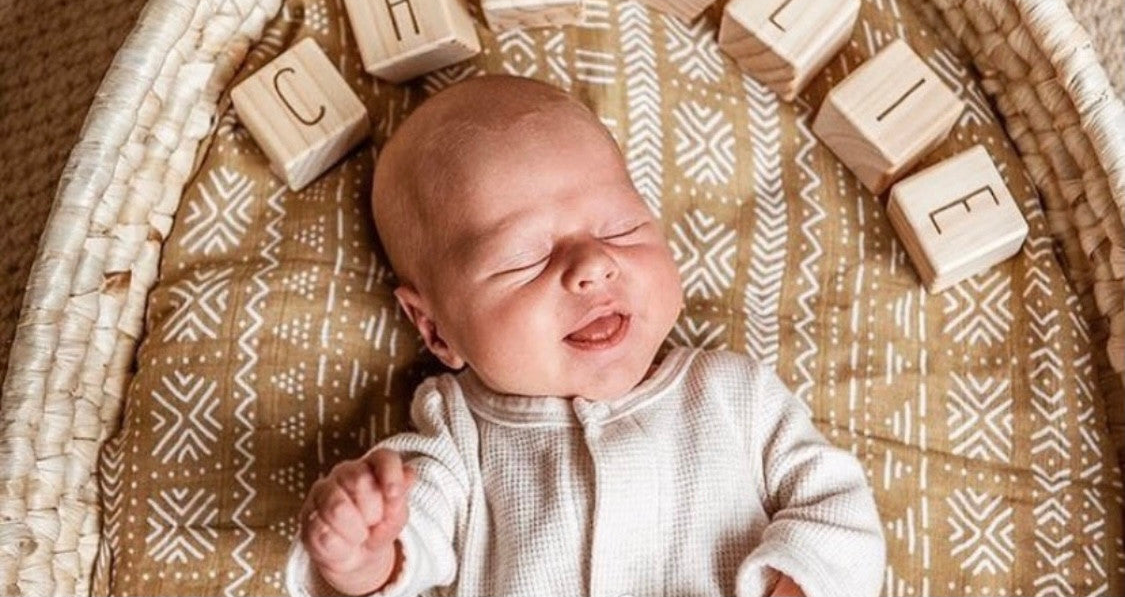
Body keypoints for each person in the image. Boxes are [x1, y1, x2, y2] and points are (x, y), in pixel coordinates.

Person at [285, 75, 885, 597]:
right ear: (437, 329)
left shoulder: (735, 396)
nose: (593, 264)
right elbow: (411, 534)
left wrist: (801, 582)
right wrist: (366, 553)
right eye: (523, 258)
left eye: (622, 228)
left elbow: (839, 510)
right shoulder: (457, 435)